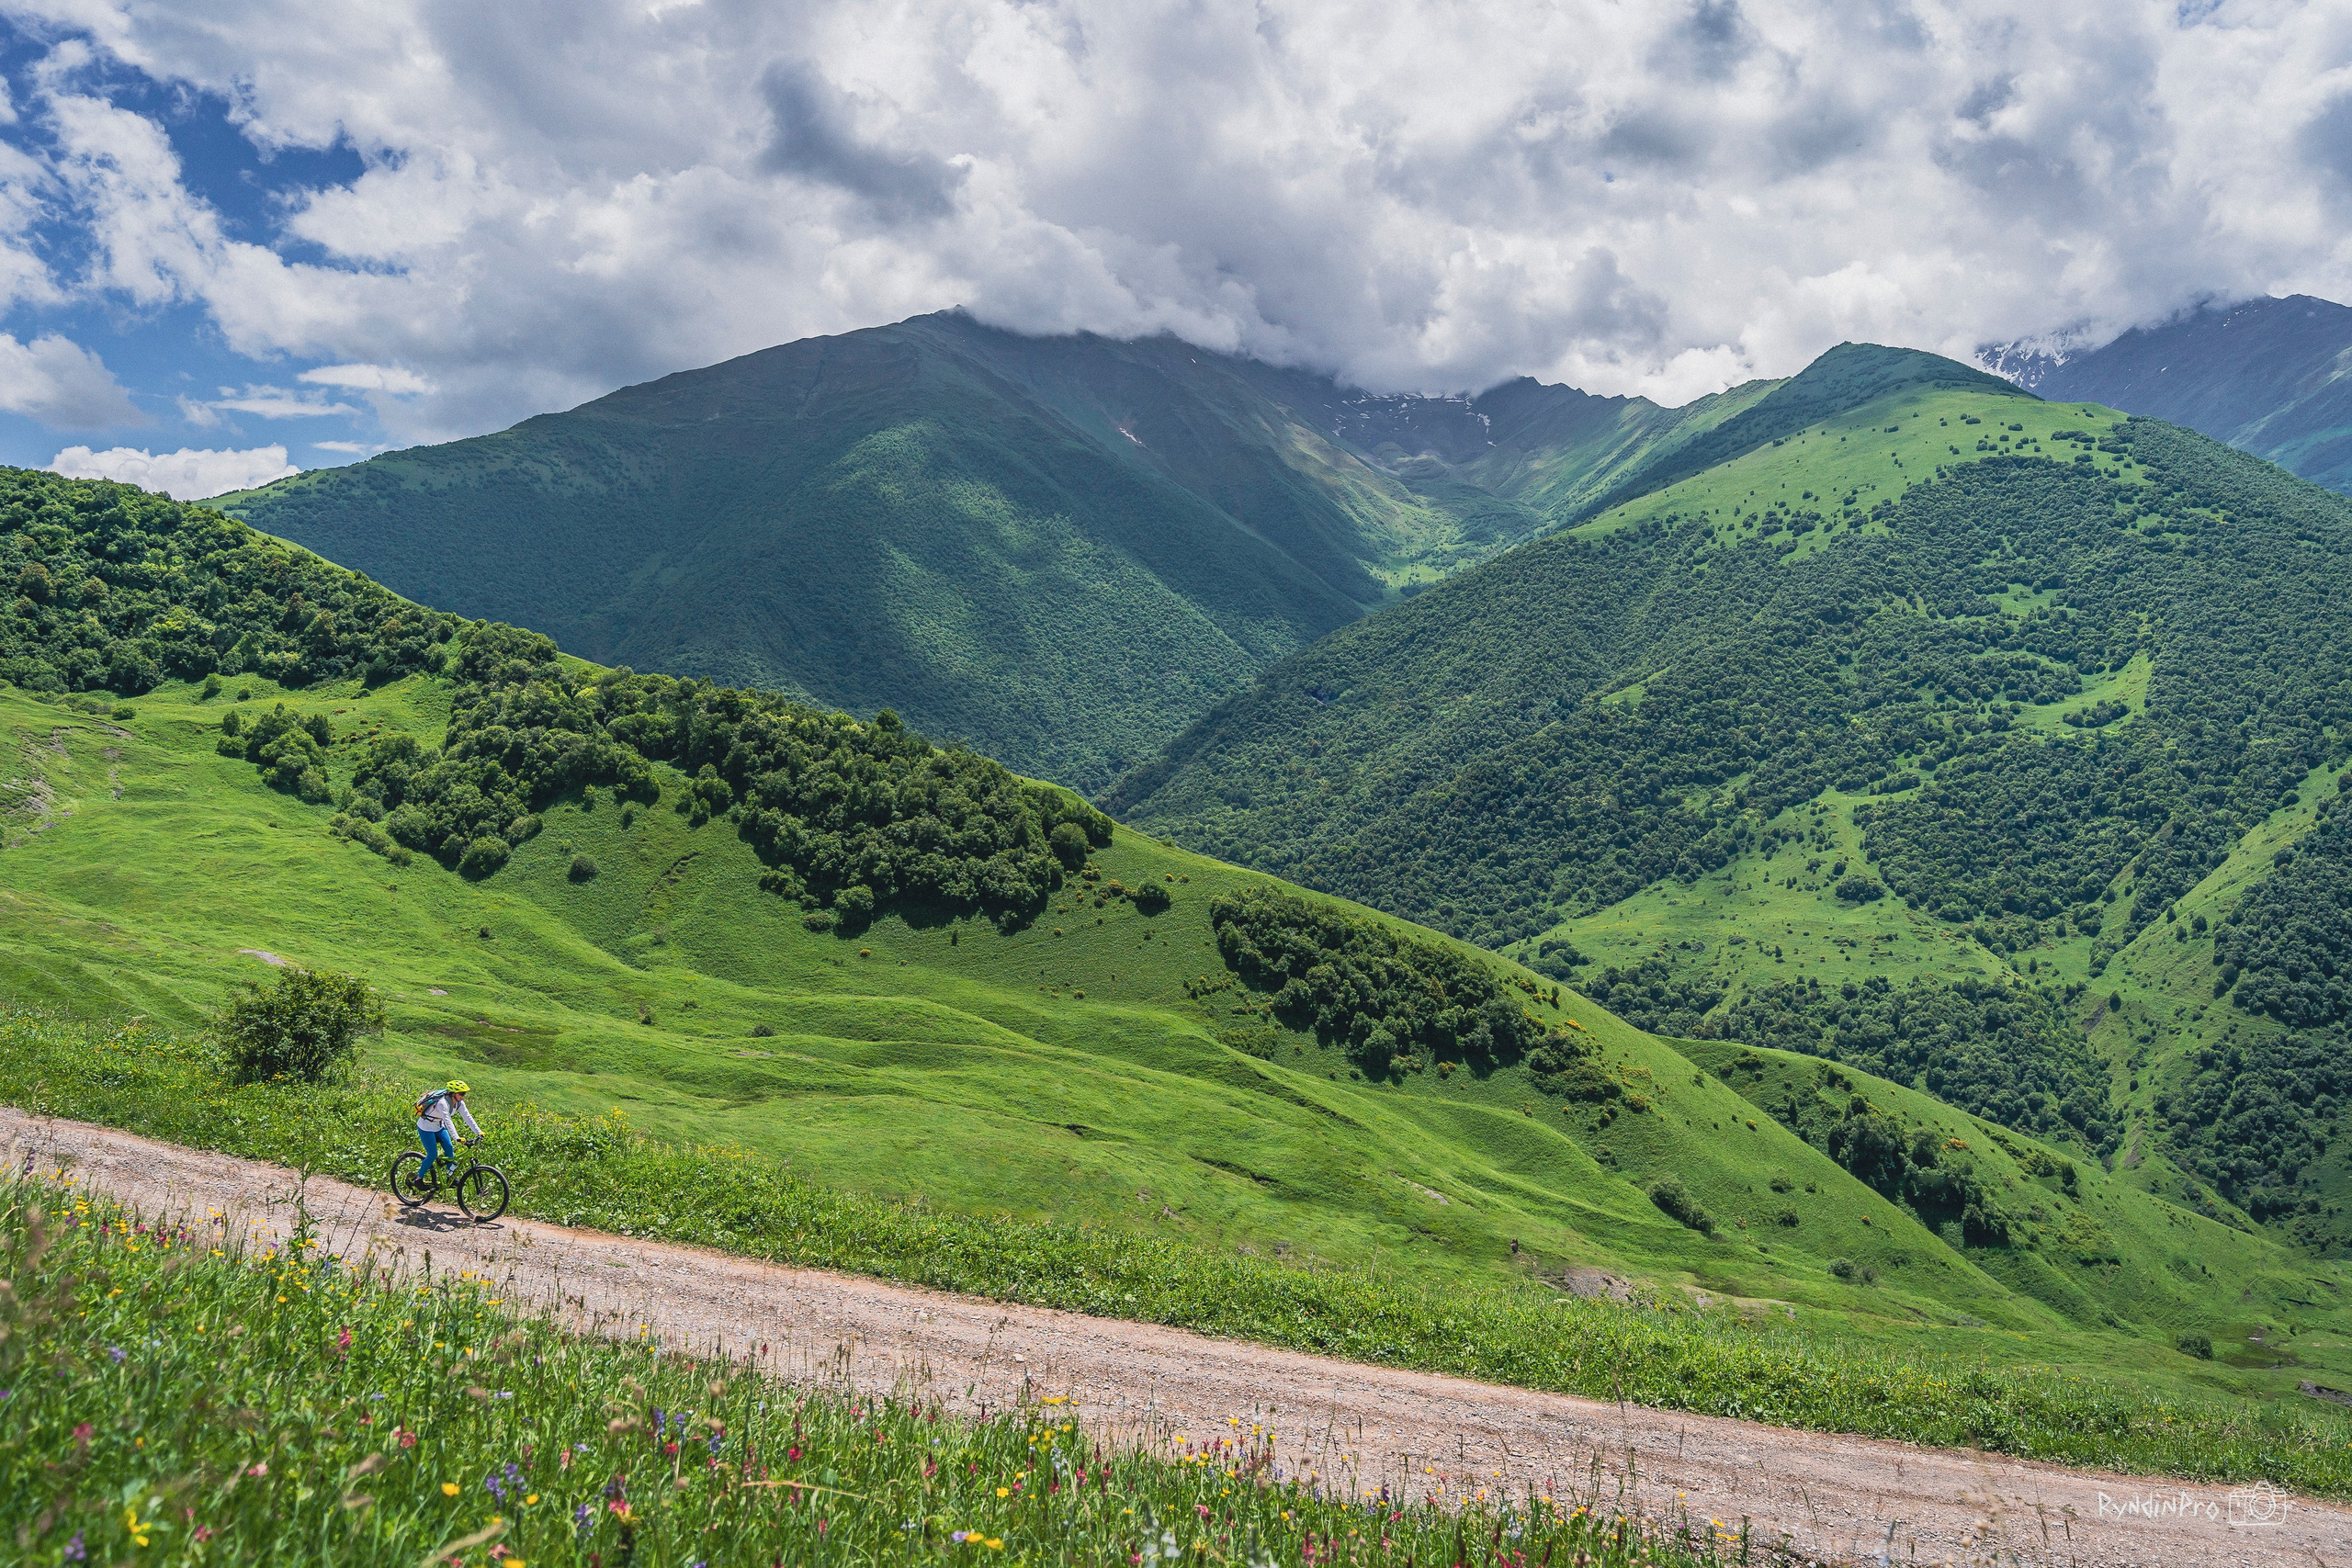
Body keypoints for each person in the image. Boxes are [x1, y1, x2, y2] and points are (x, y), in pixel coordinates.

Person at [414, 1079, 482, 1185]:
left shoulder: (459, 1103)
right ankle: (418, 1179)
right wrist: (457, 1137)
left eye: (464, 1094)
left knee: (449, 1148)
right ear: (454, 1094)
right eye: (462, 1094)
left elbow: (468, 1117)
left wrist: (479, 1132)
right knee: (432, 1154)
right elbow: (448, 1121)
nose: (463, 1096)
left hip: (438, 1126)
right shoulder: (442, 1103)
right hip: (426, 1127)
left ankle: (450, 1177)